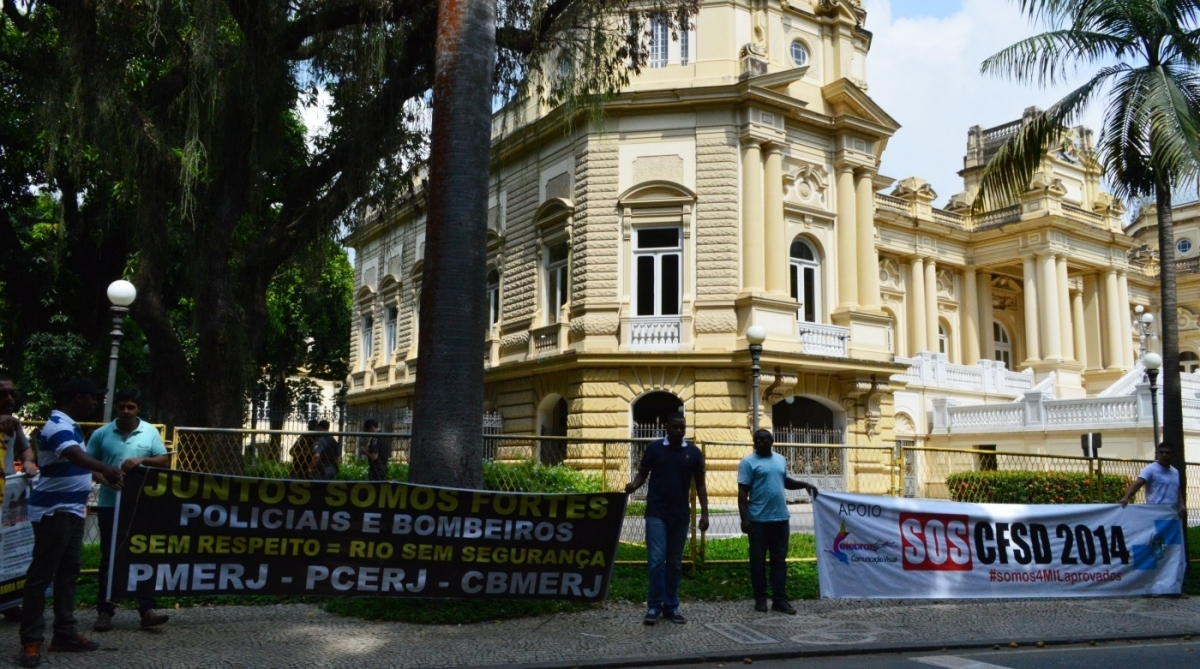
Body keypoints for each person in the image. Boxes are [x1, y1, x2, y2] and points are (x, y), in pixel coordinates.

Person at [18, 378, 124, 668]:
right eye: (93, 398)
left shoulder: (71, 426)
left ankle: (64, 632)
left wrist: (100, 478)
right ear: (78, 398)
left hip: (73, 510)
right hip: (55, 512)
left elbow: (74, 465)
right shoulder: (57, 426)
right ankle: (31, 640)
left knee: (68, 573)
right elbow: (76, 456)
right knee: (42, 575)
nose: (96, 403)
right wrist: (105, 468)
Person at [85, 389, 170, 632]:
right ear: (116, 408)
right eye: (122, 406)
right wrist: (103, 479)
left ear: (138, 409)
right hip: (110, 505)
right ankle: (105, 610)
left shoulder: (150, 432)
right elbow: (86, 464)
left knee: (142, 555)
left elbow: (164, 461)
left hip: (140, 506)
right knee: (109, 557)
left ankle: (147, 609)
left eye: (131, 407)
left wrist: (142, 460)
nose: (125, 411)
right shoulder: (102, 434)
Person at [624, 412, 708, 626]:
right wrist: (633, 486)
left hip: (680, 514)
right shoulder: (654, 448)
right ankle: (654, 606)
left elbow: (700, 485)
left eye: (682, 427)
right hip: (657, 512)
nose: (679, 431)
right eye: (675, 427)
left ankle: (671, 606)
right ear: (667, 428)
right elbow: (642, 474)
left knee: (674, 563)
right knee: (656, 560)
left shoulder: (693, 453)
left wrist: (705, 513)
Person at [737, 429, 817, 615]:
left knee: (779, 561)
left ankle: (780, 600)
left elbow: (785, 481)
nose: (760, 442)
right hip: (758, 520)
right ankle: (760, 599)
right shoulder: (748, 462)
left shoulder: (780, 459)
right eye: (757, 440)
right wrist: (744, 518)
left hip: (780, 519)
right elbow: (742, 492)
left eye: (764, 439)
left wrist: (805, 485)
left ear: (772, 441)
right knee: (758, 561)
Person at [0, 374, 28, 623]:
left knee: (7, 548)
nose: (9, 398)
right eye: (2, 394)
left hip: (8, 495)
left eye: (12, 393)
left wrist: (28, 462)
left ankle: (7, 602)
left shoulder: (14, 424)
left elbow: (25, 450)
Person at [1120, 442, 1182, 508]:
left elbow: (1176, 489)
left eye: (1167, 453)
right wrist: (1126, 498)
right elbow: (1137, 484)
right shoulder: (1150, 469)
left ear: (1173, 455)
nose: (1164, 455)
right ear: (1156, 454)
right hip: (1155, 510)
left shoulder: (1175, 472)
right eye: (1161, 452)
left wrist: (1182, 505)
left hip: (1172, 511)